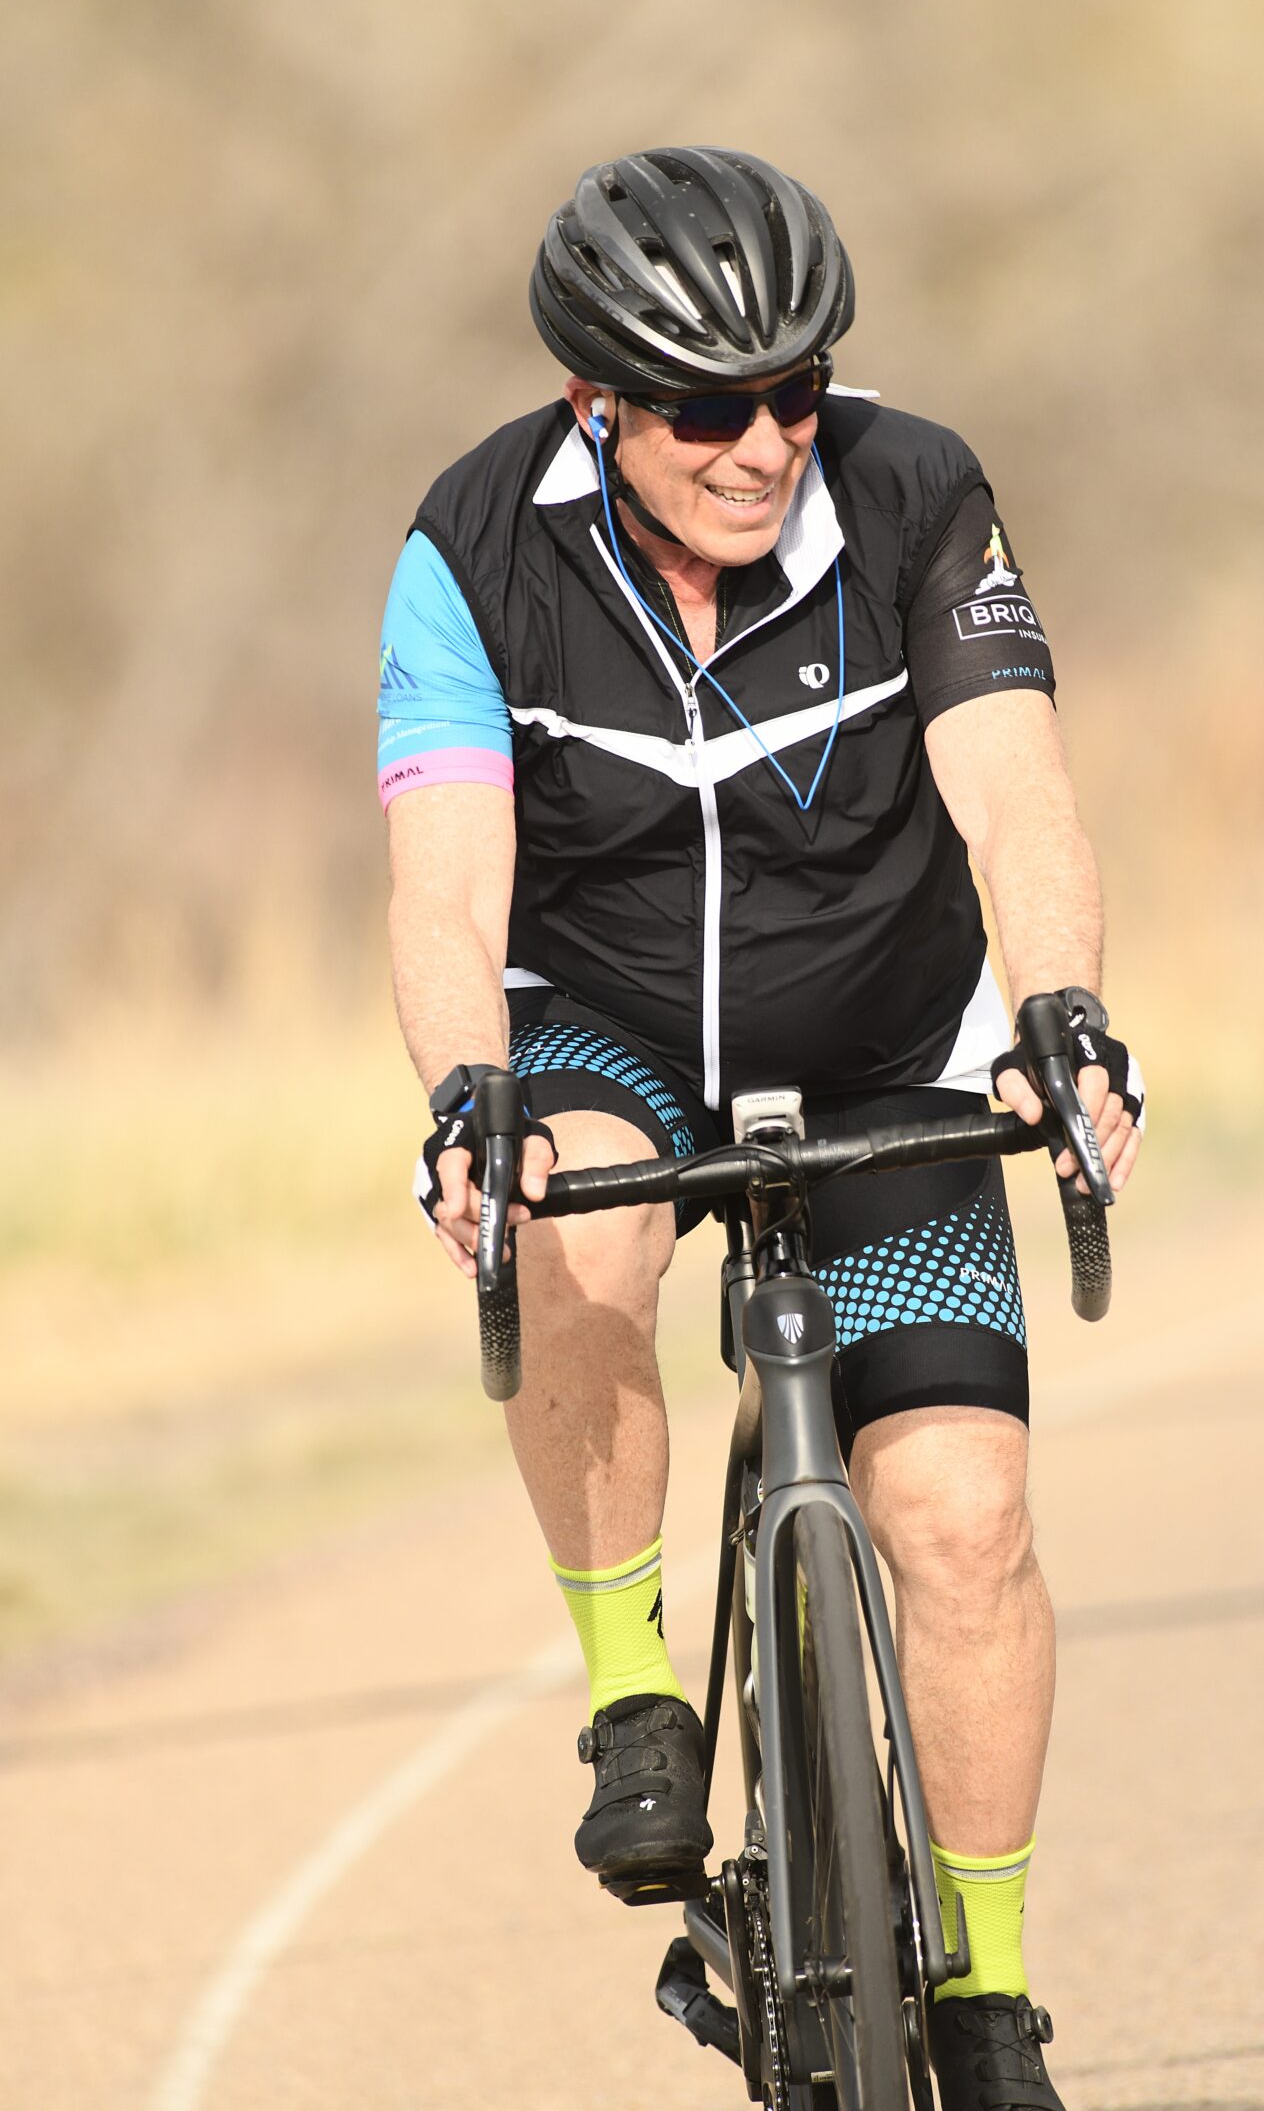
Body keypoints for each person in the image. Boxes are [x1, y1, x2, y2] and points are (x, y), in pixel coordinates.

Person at [379, 146, 1144, 2111]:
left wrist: (1058, 1005)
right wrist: (465, 1094)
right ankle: (635, 1690)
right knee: (577, 1226)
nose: (762, 442)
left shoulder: (915, 490)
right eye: (706, 409)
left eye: (794, 389)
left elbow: (1017, 794)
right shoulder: (472, 547)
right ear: (596, 405)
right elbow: (446, 888)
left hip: (885, 1032)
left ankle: (985, 1997)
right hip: (607, 1025)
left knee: (961, 1521)